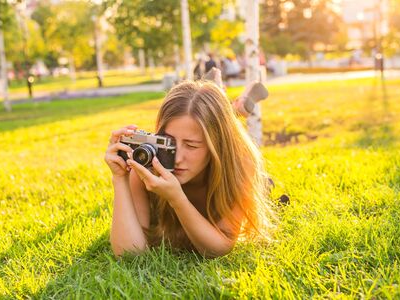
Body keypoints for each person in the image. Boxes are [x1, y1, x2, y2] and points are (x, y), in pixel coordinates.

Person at [105, 80, 275, 258]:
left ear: (215, 146)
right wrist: (119, 178)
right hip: (210, 127)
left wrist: (177, 199)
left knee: (214, 120)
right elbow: (129, 255)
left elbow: (220, 248)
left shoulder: (240, 163)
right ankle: (225, 98)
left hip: (247, 172)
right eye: (169, 142)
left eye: (191, 145)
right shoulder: (149, 162)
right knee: (201, 113)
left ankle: (235, 106)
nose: (177, 159)